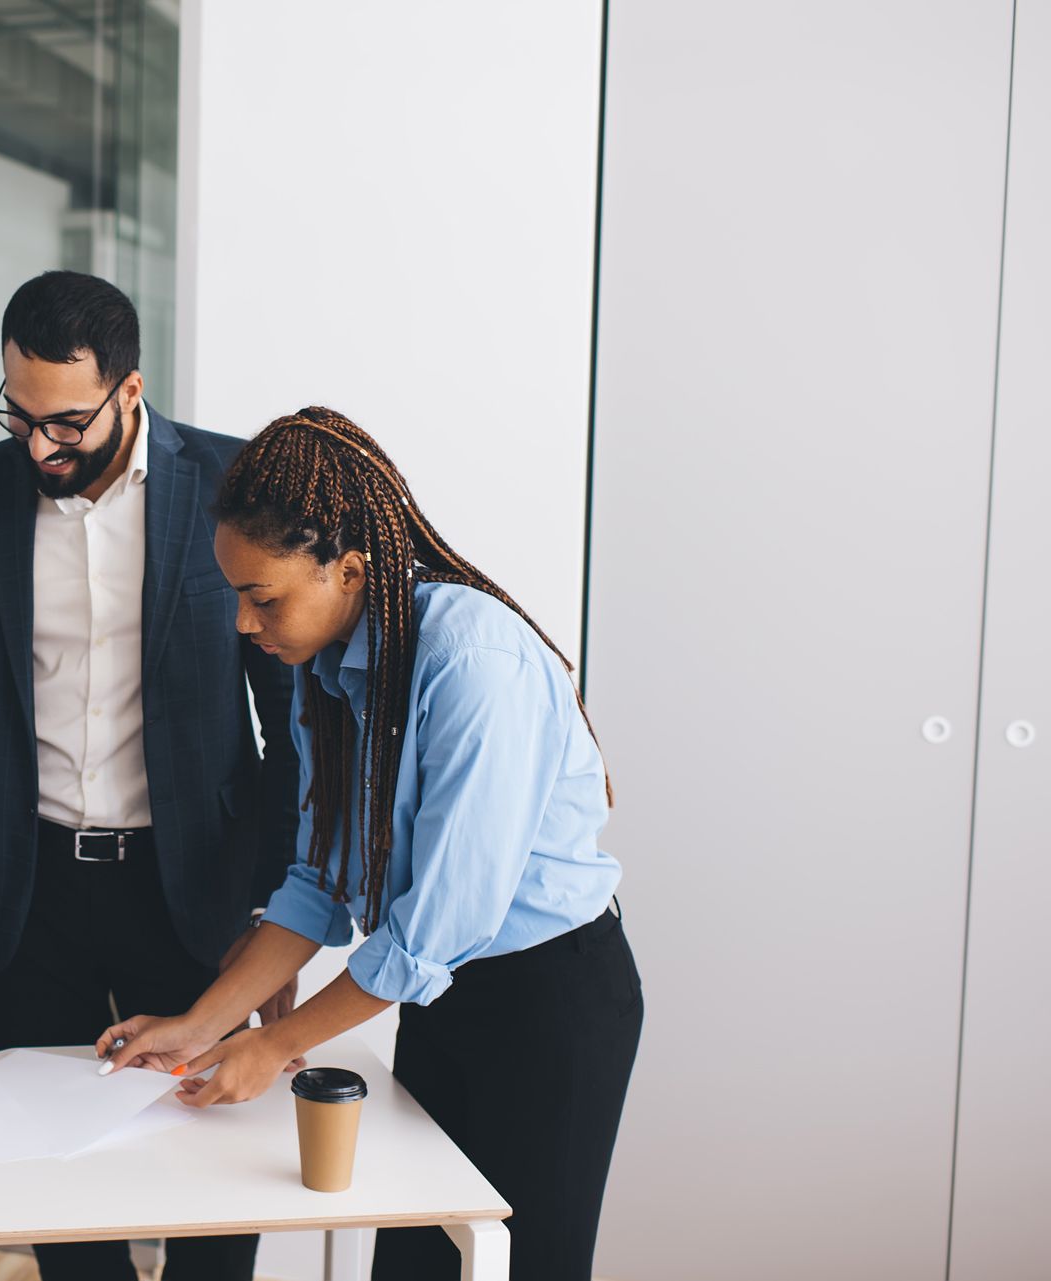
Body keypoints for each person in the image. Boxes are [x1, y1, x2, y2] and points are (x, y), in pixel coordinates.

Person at [99, 407, 643, 1281]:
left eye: (262, 596)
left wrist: (273, 1045)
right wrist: (201, 1025)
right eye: (234, 594)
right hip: (441, 996)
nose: (244, 623)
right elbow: (316, 884)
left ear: (348, 569)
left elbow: (436, 928)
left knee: (524, 1263)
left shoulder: (474, 663)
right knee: (414, 1262)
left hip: (552, 1001)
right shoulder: (328, 670)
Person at [0, 271, 300, 1281]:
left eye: (64, 423)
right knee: (62, 1185)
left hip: (198, 886)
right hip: (27, 890)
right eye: (17, 415)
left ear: (131, 390)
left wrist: (281, 916)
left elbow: (294, 727)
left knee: (214, 1173)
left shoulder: (234, 485)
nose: (38, 447)